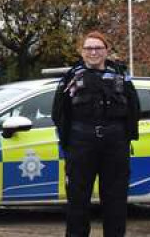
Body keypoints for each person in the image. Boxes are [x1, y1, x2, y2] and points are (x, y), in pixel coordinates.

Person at [52, 31, 139, 237]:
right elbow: (59, 112)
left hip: (114, 144)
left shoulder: (121, 77)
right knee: (77, 201)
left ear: (106, 51)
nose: (93, 52)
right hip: (81, 143)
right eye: (88, 48)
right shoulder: (71, 77)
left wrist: (124, 139)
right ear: (82, 52)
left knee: (116, 201)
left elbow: (134, 108)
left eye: (98, 48)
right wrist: (69, 141)